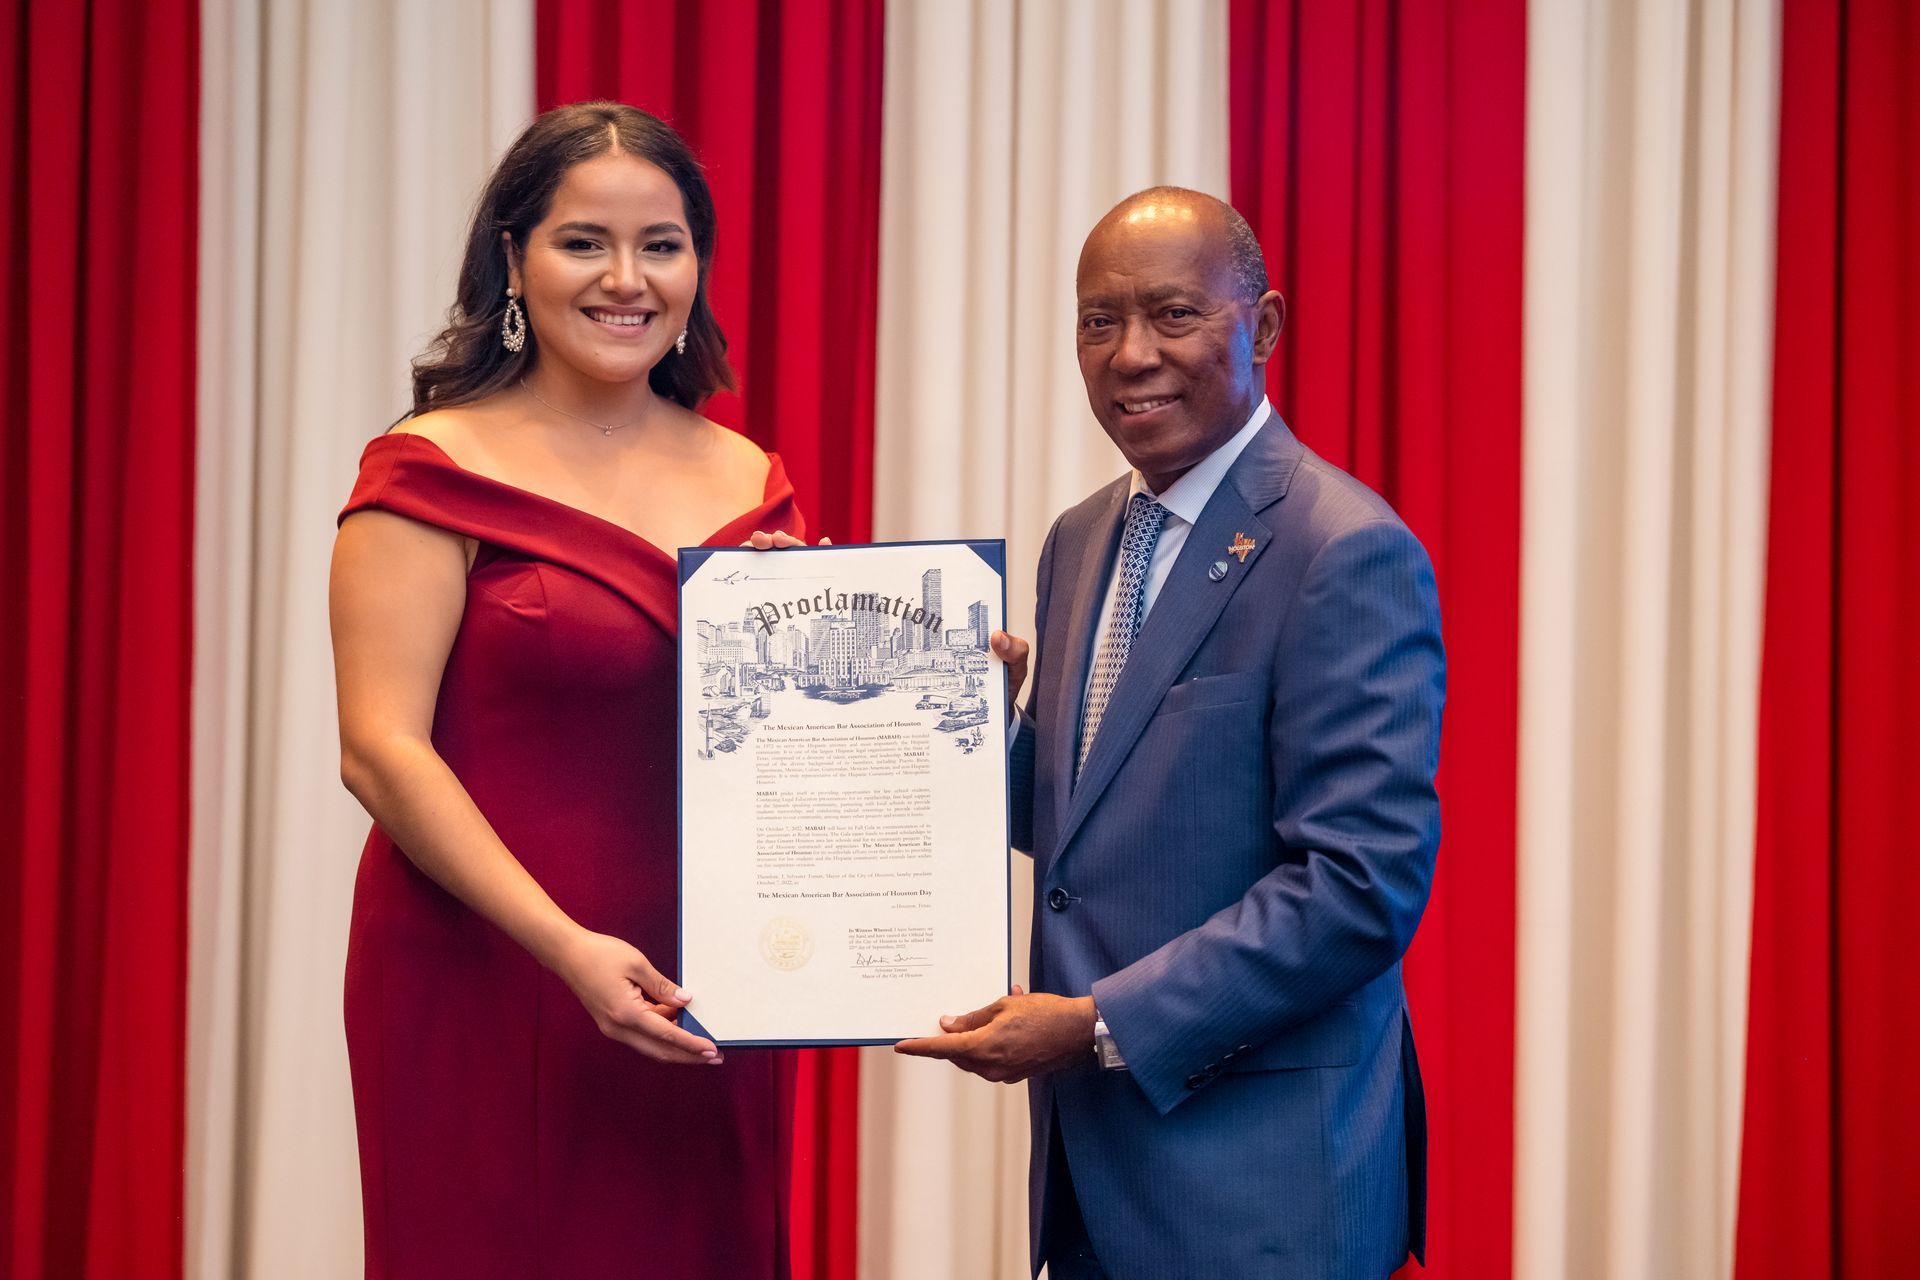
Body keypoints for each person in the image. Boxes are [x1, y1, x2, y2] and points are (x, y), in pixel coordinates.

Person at [897, 188, 1445, 1279]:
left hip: (1268, 1190)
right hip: (1098, 1181)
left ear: (1267, 326)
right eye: (1100, 321)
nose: (1132, 352)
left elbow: (1359, 885)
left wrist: (1094, 1022)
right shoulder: (1082, 537)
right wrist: (948, 730)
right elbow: (1089, 825)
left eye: (1173, 314)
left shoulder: (1342, 550)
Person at [330, 102, 810, 1278]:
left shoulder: (753, 475)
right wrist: (564, 946)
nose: (627, 279)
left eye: (663, 243)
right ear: (514, 257)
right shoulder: (428, 464)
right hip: (486, 970)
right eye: (584, 240)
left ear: (697, 265)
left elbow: (801, 740)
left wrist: (946, 676)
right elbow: (381, 749)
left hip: (704, 979)